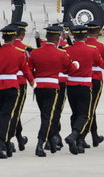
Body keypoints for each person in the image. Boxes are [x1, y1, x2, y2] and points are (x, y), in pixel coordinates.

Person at [28, 25, 74, 157]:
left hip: (38, 87)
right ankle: (40, 143)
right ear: (58, 39)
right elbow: (69, 68)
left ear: (47, 37)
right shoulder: (61, 53)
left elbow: (30, 69)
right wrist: (75, 65)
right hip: (52, 87)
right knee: (48, 117)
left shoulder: (35, 52)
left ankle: (51, 141)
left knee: (45, 114)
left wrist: (33, 82)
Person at [0, 24, 33, 158]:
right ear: (15, 37)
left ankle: (7, 145)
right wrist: (32, 82)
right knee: (6, 116)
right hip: (12, 87)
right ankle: (0, 145)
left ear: (3, 37)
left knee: (2, 116)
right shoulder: (19, 53)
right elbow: (26, 70)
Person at [64, 25, 104, 154]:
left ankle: (87, 137)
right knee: (87, 113)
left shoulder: (68, 49)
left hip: (72, 83)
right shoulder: (95, 48)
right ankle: (79, 138)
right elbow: (103, 61)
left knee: (77, 113)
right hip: (89, 81)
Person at [85, 21, 104, 147]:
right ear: (97, 32)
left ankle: (94, 135)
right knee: (90, 109)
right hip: (96, 78)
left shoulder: (83, 44)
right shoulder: (100, 46)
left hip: (84, 78)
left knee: (88, 108)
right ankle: (81, 135)